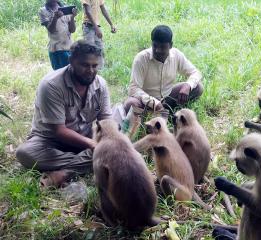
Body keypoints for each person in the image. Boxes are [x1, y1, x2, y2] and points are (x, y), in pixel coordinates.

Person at [16, 40, 112, 188]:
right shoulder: (51, 85)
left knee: (114, 147)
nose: (91, 71)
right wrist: (93, 145)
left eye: (95, 66)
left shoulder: (101, 85)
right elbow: (58, 131)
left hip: (83, 139)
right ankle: (91, 162)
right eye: (85, 65)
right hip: (50, 141)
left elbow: (105, 120)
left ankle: (66, 172)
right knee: (24, 153)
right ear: (71, 61)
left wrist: (109, 140)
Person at [124, 25, 203, 114]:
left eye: (162, 47)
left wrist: (188, 85)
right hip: (146, 102)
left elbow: (195, 72)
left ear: (170, 45)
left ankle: (167, 111)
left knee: (197, 87)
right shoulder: (141, 59)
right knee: (130, 104)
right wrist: (153, 103)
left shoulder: (176, 55)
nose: (158, 50)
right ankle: (155, 114)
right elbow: (133, 88)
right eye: (155, 46)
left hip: (168, 97)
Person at [39, 0, 77, 70]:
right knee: (59, 74)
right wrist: (55, 18)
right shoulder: (43, 11)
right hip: (56, 49)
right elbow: (51, 30)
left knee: (71, 73)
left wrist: (72, 17)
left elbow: (72, 30)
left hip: (69, 47)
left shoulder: (65, 9)